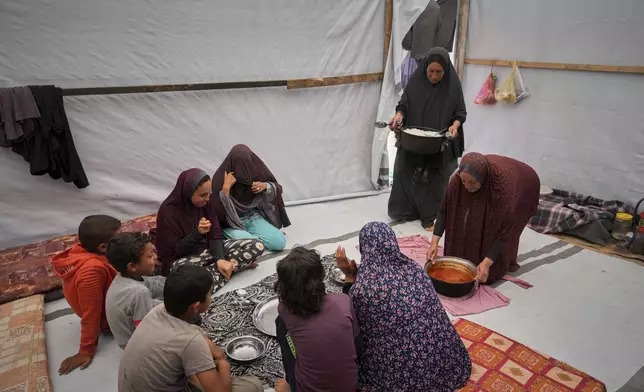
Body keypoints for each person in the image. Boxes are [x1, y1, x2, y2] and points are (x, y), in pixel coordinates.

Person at [336, 222, 471, 391]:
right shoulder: (415, 269)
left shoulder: (362, 289)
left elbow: (347, 317)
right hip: (442, 362)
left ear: (364, 249)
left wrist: (349, 276)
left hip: (400, 375)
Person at [118, 264, 263, 392]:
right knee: (253, 385)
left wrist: (214, 353)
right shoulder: (190, 341)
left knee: (199, 335)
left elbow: (199, 338)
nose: (211, 297)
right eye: (209, 294)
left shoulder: (158, 310)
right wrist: (223, 363)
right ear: (196, 306)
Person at [427, 152, 541, 284]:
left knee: (495, 224)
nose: (467, 186)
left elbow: (505, 230)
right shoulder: (457, 180)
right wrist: (434, 243)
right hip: (490, 173)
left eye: (472, 182)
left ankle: (498, 262)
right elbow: (444, 211)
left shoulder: (502, 189)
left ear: (482, 178)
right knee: (474, 217)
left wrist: (486, 263)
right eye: (464, 181)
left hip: (524, 182)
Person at [388, 47, 466, 231]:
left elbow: (460, 113)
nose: (434, 75)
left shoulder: (452, 87)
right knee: (404, 169)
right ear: (425, 69)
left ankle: (430, 216)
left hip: (438, 141)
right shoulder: (416, 84)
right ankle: (404, 210)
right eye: (431, 71)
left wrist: (454, 126)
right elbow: (403, 105)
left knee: (435, 177)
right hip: (414, 139)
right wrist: (399, 115)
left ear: (446, 70)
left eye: (439, 72)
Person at [155, 168, 264, 293]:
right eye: (202, 195)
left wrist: (220, 259)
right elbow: (171, 253)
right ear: (187, 192)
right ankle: (231, 269)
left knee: (257, 245)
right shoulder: (168, 212)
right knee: (181, 274)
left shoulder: (208, 202)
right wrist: (197, 234)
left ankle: (214, 276)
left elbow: (216, 235)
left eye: (209, 193)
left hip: (209, 251)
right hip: (184, 259)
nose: (207, 198)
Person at [273, 247, 362, 392]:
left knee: (282, 329)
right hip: (349, 386)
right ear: (321, 276)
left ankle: (290, 384)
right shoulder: (343, 301)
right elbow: (358, 348)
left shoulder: (285, 313)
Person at [52, 215, 121, 375]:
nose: (123, 239)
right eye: (119, 237)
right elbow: (91, 311)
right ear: (103, 248)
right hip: (109, 320)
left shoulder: (79, 251)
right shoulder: (91, 271)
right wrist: (86, 350)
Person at [211, 145, 290, 251]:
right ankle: (247, 239)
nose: (243, 168)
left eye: (246, 164)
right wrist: (226, 189)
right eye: (239, 165)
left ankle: (250, 240)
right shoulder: (220, 179)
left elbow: (277, 188)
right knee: (252, 244)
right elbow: (216, 213)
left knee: (279, 242)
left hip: (252, 217)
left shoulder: (256, 171)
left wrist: (265, 186)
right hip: (230, 223)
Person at [105, 232, 165, 349]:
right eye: (150, 256)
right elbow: (146, 330)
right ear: (132, 266)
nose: (155, 257)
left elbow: (156, 284)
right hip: (135, 344)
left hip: (131, 332)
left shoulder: (123, 276)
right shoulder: (139, 292)